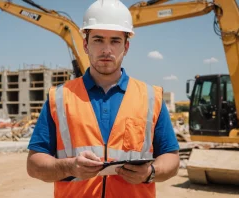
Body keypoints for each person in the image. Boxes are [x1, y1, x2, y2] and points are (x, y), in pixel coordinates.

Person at [26, 0, 180, 197]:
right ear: (85, 44)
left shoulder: (151, 97)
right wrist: (69, 167)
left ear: (126, 46)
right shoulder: (60, 98)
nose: (107, 50)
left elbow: (171, 159)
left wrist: (150, 172)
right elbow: (34, 164)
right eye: (98, 40)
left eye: (115, 41)